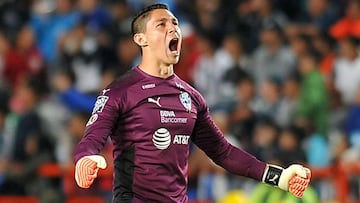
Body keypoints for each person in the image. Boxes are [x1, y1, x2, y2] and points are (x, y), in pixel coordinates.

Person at [74, 3, 311, 202]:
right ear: (141, 39)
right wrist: (85, 159)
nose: (173, 29)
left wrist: (278, 177)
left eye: (175, 23)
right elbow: (93, 136)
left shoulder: (190, 96)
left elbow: (223, 152)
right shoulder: (120, 91)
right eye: (162, 24)